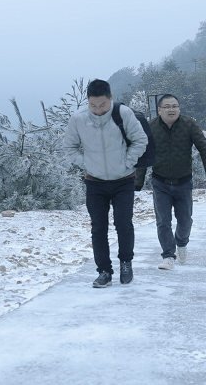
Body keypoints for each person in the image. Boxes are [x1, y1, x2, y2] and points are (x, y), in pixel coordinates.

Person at [63, 79, 148, 287]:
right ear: (87, 102)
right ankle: (104, 271)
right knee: (98, 228)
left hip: (124, 180)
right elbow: (69, 148)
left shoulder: (124, 114)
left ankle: (126, 263)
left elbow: (140, 140)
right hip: (95, 182)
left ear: (110, 98)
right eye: (93, 105)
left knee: (123, 224)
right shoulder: (79, 119)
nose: (98, 110)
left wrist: (127, 162)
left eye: (102, 105)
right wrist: (87, 164)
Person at [135, 94, 206, 270]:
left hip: (184, 182)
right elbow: (143, 154)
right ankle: (168, 256)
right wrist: (137, 183)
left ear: (179, 108)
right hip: (160, 182)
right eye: (167, 106)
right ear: (159, 110)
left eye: (175, 106)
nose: (171, 110)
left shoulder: (189, 125)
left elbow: (205, 150)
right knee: (163, 221)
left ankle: (181, 243)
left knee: (185, 220)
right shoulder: (151, 128)